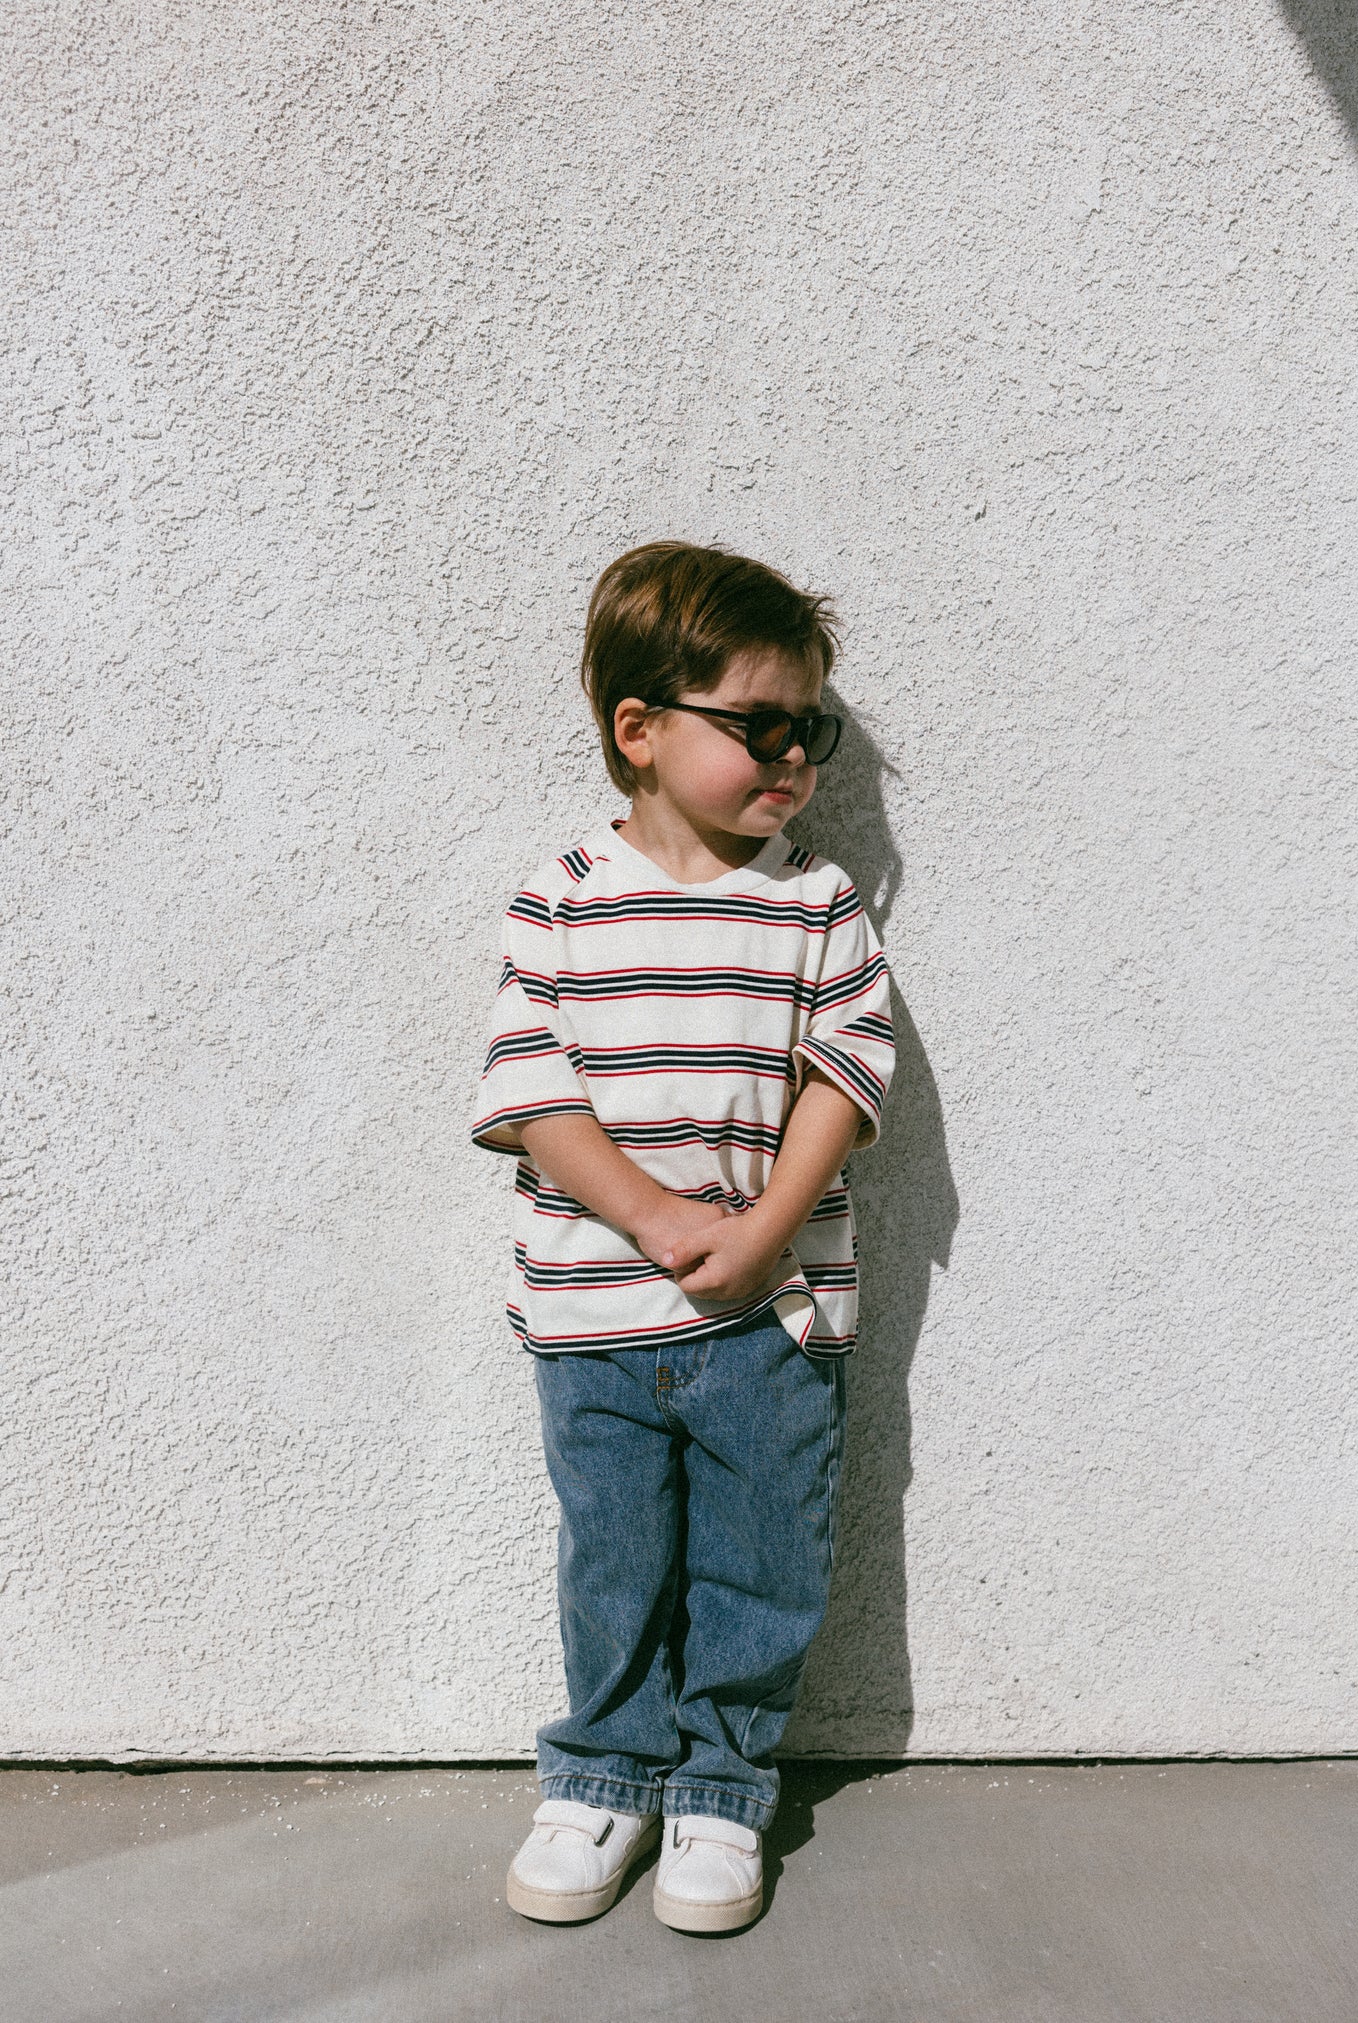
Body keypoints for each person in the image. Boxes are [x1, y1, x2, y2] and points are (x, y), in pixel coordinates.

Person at [470, 541, 894, 1933]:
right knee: (612, 1561)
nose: (790, 756)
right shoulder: (563, 899)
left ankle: (720, 1790)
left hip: (771, 1322)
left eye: (809, 729)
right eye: (756, 724)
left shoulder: (815, 904)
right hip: (595, 1314)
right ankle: (601, 1773)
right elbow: (532, 1094)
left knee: (760, 1563)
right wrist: (651, 1213)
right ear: (638, 730)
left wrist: (770, 1226)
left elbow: (845, 1075)